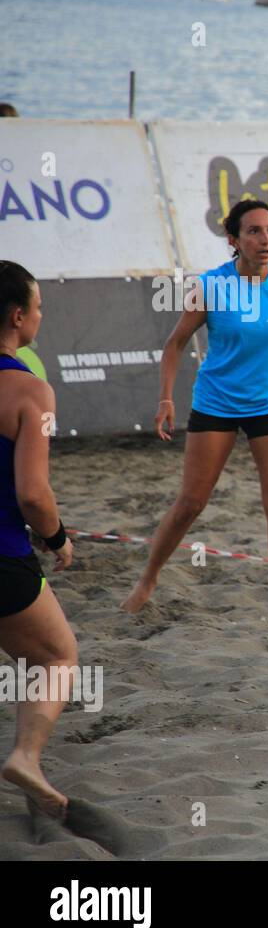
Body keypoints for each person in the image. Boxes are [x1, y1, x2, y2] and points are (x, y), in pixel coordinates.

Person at [123, 200, 268, 620]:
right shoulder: (212, 286)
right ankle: (147, 580)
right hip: (217, 402)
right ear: (234, 240)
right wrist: (166, 398)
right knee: (191, 503)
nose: (266, 240)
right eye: (255, 231)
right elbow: (175, 345)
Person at [0, 260, 77, 818]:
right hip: (4, 556)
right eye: (39, 306)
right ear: (18, 316)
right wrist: (57, 538)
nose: (42, 316)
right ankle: (26, 757)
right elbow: (33, 494)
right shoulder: (32, 391)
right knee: (56, 656)